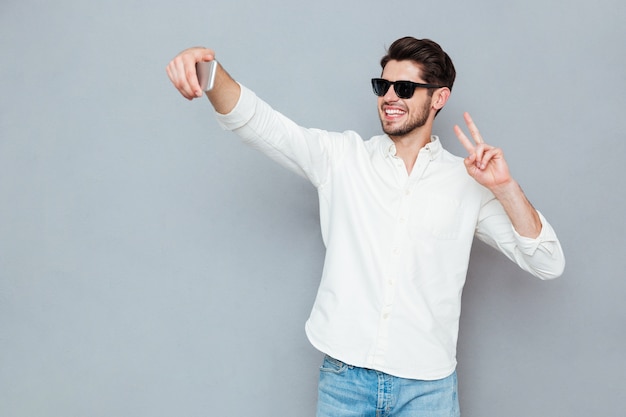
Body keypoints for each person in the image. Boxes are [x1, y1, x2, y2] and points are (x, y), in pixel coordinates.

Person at [166, 37, 565, 417]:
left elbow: (547, 262)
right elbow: (262, 124)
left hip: (428, 388)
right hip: (344, 381)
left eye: (405, 87)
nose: (390, 96)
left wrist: (506, 189)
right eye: (383, 85)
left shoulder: (467, 183)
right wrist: (209, 73)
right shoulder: (342, 158)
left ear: (438, 97)